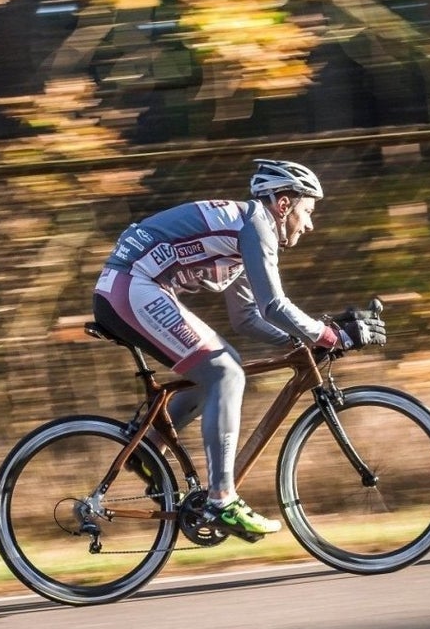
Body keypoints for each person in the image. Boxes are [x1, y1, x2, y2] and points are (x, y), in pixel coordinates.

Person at [92, 158, 386, 541]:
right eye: (307, 211)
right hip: (132, 287)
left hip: (132, 286)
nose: (310, 223)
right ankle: (221, 499)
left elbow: (248, 318)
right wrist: (331, 336)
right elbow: (275, 306)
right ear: (283, 203)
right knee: (226, 370)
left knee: (216, 369)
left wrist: (303, 343)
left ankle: (147, 449)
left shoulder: (242, 232)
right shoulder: (256, 227)